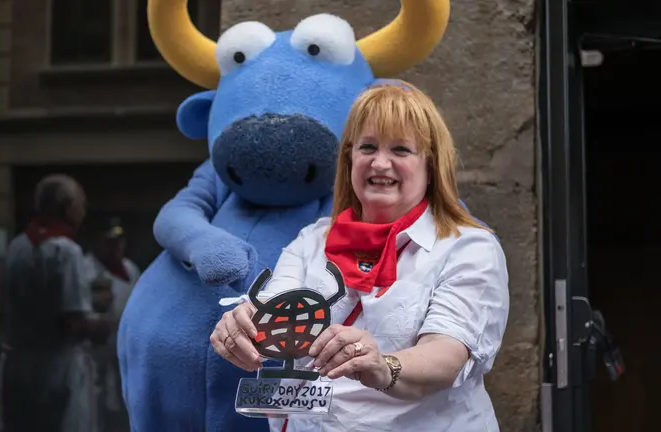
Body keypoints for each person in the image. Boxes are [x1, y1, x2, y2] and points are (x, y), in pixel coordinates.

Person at [211, 80, 510, 431]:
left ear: (430, 166)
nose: (380, 163)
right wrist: (243, 326)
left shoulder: (469, 248)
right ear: (349, 158)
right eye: (368, 147)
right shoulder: (313, 239)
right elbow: (277, 309)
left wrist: (382, 365)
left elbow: (447, 354)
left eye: (401, 150)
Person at [0, 174, 112, 432]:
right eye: (81, 204)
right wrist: (102, 325)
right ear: (68, 208)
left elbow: (33, 301)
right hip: (55, 370)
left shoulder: (17, 247)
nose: (84, 210)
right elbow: (74, 323)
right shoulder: (66, 251)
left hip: (16, 366)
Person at [83, 218, 140, 431]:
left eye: (119, 241)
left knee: (124, 393)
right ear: (98, 242)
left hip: (124, 343)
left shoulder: (129, 268)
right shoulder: (84, 268)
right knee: (94, 394)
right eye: (109, 242)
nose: (116, 247)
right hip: (93, 345)